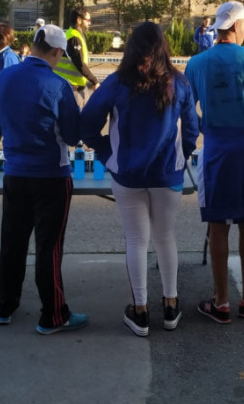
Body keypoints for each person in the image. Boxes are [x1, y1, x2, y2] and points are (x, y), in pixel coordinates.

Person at [81, 22, 199, 337]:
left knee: (137, 241)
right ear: (164, 46)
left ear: (131, 47)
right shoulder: (179, 82)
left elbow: (86, 125)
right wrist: (180, 157)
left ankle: (141, 311)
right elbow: (191, 130)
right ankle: (171, 307)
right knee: (165, 238)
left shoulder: (117, 83)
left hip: (127, 174)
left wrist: (108, 154)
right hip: (167, 174)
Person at [0, 24, 89, 335]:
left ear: (33, 45)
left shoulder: (4, 77)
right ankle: (53, 315)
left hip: (15, 173)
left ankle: (4, 307)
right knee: (49, 247)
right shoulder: (58, 86)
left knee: (12, 243)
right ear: (58, 53)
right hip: (51, 176)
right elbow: (73, 137)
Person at [185, 1, 244, 324]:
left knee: (218, 222)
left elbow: (187, 112)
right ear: (239, 26)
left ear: (218, 28)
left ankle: (221, 300)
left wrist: (207, 127)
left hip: (215, 149)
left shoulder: (197, 63)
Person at [0, 22, 21, 150]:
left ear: (1, 39)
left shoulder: (8, 58)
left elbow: (8, 88)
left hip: (5, 114)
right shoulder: (1, 57)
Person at [54, 7, 99, 105]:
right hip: (71, 87)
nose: (90, 23)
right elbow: (80, 64)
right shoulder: (74, 37)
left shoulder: (75, 35)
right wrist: (95, 81)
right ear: (79, 20)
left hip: (75, 85)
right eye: (88, 20)